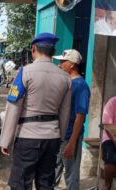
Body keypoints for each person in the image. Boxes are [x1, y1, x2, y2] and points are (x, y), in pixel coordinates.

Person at [0, 33, 72, 190]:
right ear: (53, 52)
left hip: (27, 137)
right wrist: (59, 136)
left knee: (21, 183)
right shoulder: (65, 78)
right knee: (46, 183)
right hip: (52, 138)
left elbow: (13, 108)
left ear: (33, 49)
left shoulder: (24, 72)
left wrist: (6, 140)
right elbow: (65, 113)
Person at [53, 49, 90, 190]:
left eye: (63, 62)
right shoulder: (67, 82)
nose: (60, 64)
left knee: (71, 174)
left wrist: (72, 143)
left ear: (72, 65)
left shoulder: (81, 86)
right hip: (59, 135)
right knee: (52, 171)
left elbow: (80, 116)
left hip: (69, 137)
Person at [101, 96, 116, 190]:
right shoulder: (112, 102)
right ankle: (107, 186)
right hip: (110, 137)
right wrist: (115, 140)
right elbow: (106, 126)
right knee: (112, 156)